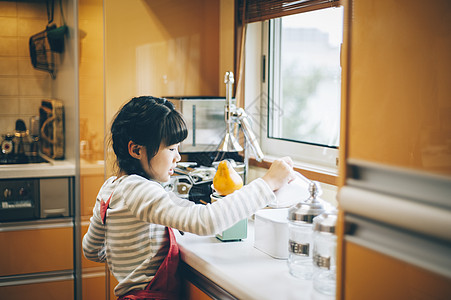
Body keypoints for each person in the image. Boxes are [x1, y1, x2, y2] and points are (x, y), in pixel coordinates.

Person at [82, 96, 295, 299]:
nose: (178, 156)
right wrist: (268, 183)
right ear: (136, 150)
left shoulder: (111, 188)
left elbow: (91, 249)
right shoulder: (139, 191)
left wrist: (126, 250)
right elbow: (206, 221)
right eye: (172, 148)